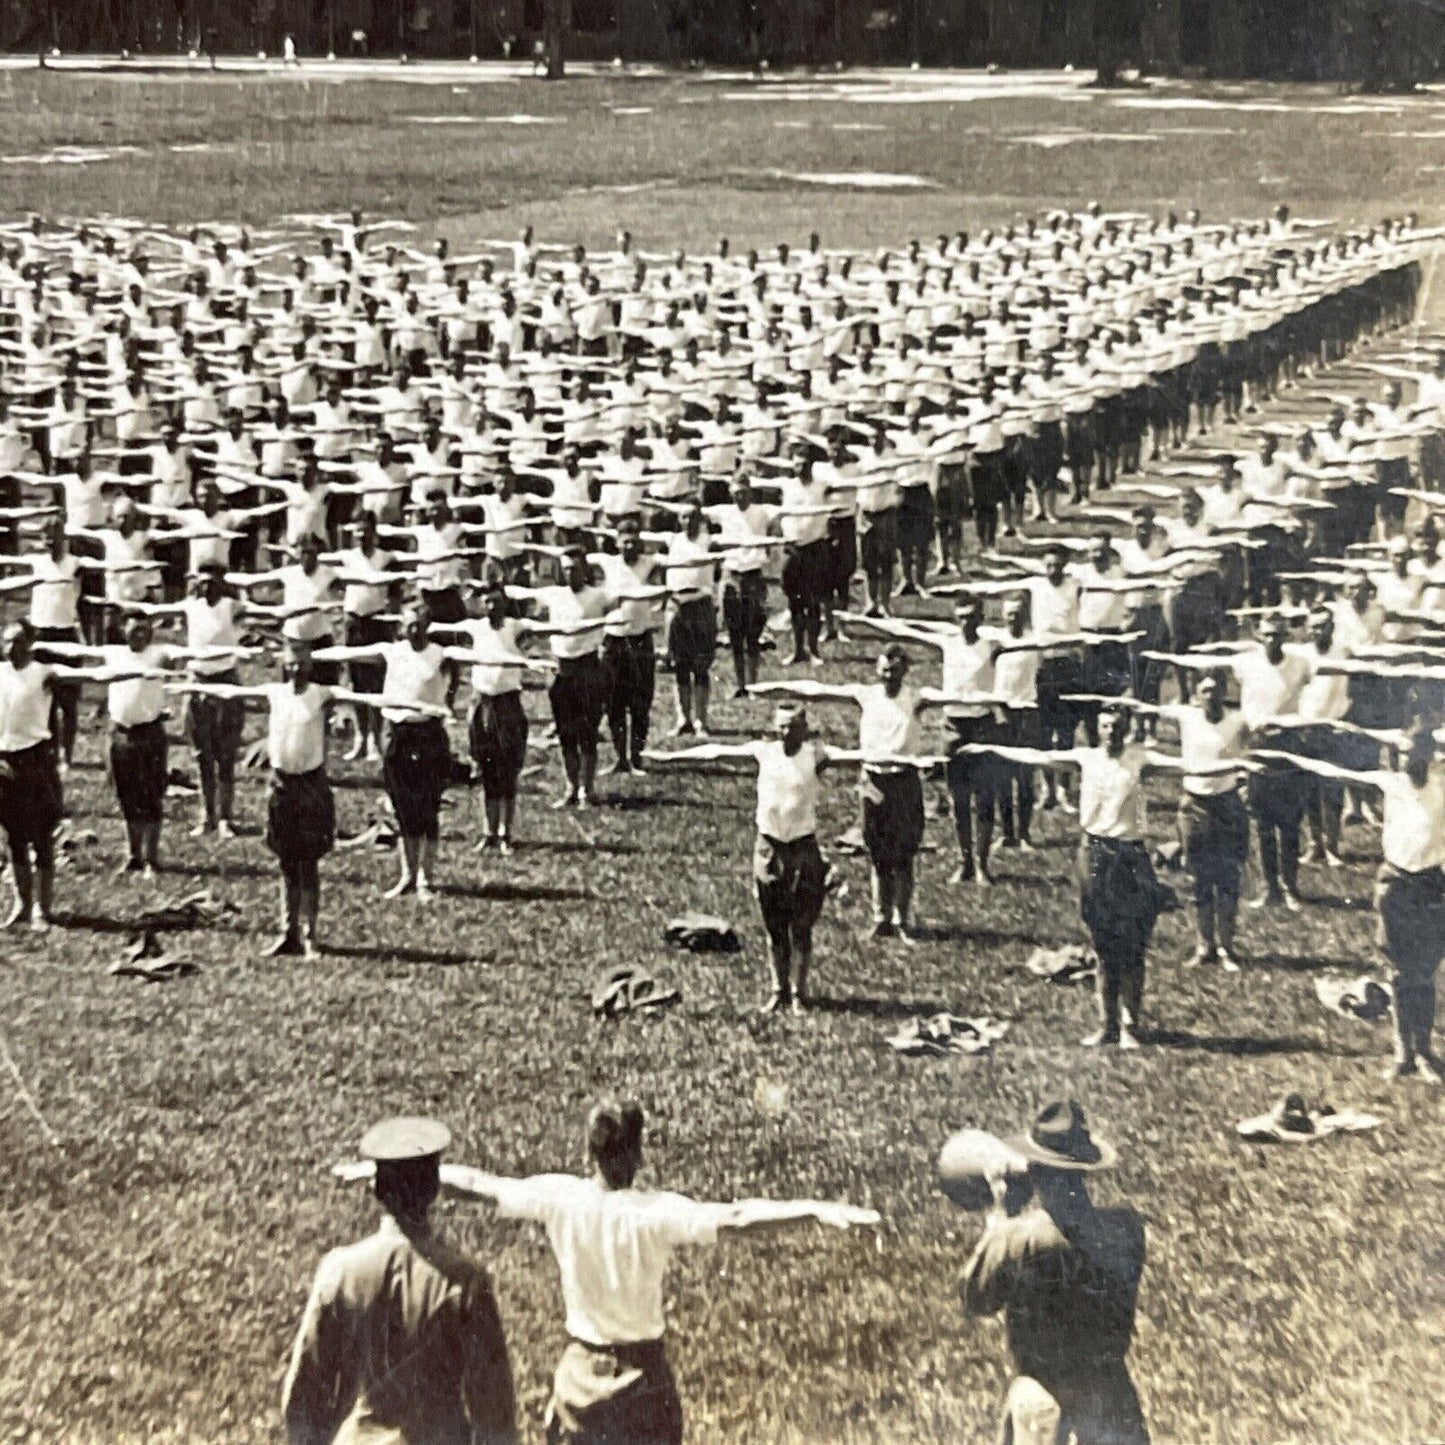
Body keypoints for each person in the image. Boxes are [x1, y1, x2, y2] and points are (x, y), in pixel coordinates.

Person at [339, 1099, 877, 1445]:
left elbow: (477, 1183)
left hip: (579, 1378)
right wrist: (818, 1210)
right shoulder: (656, 1212)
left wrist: (387, 1169)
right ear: (637, 1155)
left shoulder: (561, 1199)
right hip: (644, 1379)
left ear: (588, 1151)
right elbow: (736, 1218)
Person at [966, 706, 1237, 1048]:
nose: (1111, 732)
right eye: (1105, 726)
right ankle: (1107, 1025)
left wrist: (1239, 765)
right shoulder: (1085, 758)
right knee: (1104, 945)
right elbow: (1037, 756)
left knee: (1134, 945)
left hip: (1131, 857)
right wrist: (986, 749)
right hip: (1093, 856)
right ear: (1096, 729)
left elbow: (1191, 766)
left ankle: (1131, 1026)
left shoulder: (1141, 759)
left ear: (1126, 729)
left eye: (1117, 726)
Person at [176, 642, 449, 956]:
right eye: (291, 664)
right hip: (280, 788)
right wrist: (183, 685)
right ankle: (287, 931)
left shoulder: (321, 694)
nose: (295, 670)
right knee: (286, 863)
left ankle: (310, 936)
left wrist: (424, 709)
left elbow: (367, 698)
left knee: (308, 865)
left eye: (302, 664)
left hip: (311, 787)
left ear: (310, 667)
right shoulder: (275, 692)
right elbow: (231, 694)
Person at [283, 1116, 518, 1444]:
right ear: (434, 1188)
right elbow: (494, 1409)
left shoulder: (339, 1271)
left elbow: (304, 1391)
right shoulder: (464, 1282)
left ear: (377, 1189)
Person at [1257, 723, 1445, 1084]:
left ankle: (1424, 1050)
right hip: (1395, 883)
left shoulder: (1440, 782)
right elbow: (1331, 770)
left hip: (1432, 884)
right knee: (1398, 970)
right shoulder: (1390, 782)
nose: (1405, 760)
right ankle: (1402, 1052)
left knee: (1424, 972)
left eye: (1412, 753)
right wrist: (1281, 758)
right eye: (1401, 753)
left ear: (1428, 754)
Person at [960, 1100, 1148, 1445]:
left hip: (1044, 1401)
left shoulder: (1021, 1239)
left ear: (1035, 1169)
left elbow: (975, 1297)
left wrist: (1000, 1219)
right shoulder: (1127, 1228)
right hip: (1112, 1397)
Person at [646, 702, 848, 1011]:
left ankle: (799, 993)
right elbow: (715, 752)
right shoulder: (764, 752)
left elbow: (861, 758)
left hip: (804, 848)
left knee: (802, 926)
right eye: (780, 726)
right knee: (774, 925)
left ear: (804, 729)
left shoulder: (815, 756)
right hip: (769, 846)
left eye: (792, 726)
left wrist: (917, 761)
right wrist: (669, 757)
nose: (785, 732)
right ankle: (778, 989)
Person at [751, 647, 950, 942]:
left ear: (905, 671)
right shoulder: (866, 694)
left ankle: (903, 919)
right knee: (876, 850)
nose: (888, 676)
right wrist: (771, 689)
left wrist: (1005, 702)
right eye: (883, 670)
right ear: (876, 669)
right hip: (871, 781)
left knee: (905, 853)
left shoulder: (915, 698)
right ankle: (881, 918)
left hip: (904, 781)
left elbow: (961, 699)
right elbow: (818, 691)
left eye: (894, 671)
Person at [319, 606, 454, 901]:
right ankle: (407, 875)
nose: (415, 630)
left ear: (428, 625)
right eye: (409, 625)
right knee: (403, 806)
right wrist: (311, 656)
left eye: (420, 625)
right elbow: (348, 655)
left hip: (428, 734)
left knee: (428, 808)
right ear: (401, 627)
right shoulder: (391, 651)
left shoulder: (440, 654)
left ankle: (425, 879)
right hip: (398, 734)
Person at [0, 620, 67, 929]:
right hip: (5, 763)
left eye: (16, 641)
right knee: (14, 838)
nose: (10, 648)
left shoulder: (43, 674)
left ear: (29, 643)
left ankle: (43, 908)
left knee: (41, 838)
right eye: (6, 642)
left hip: (35, 761)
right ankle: (21, 905)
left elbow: (88, 677)